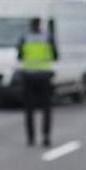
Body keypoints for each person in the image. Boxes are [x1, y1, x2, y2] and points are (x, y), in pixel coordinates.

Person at [17, 18, 58, 147]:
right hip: (44, 77)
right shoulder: (47, 37)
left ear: (31, 25)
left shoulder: (24, 37)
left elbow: (19, 55)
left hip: (29, 77)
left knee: (29, 110)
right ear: (39, 25)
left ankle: (30, 138)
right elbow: (56, 55)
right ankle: (46, 136)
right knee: (46, 109)